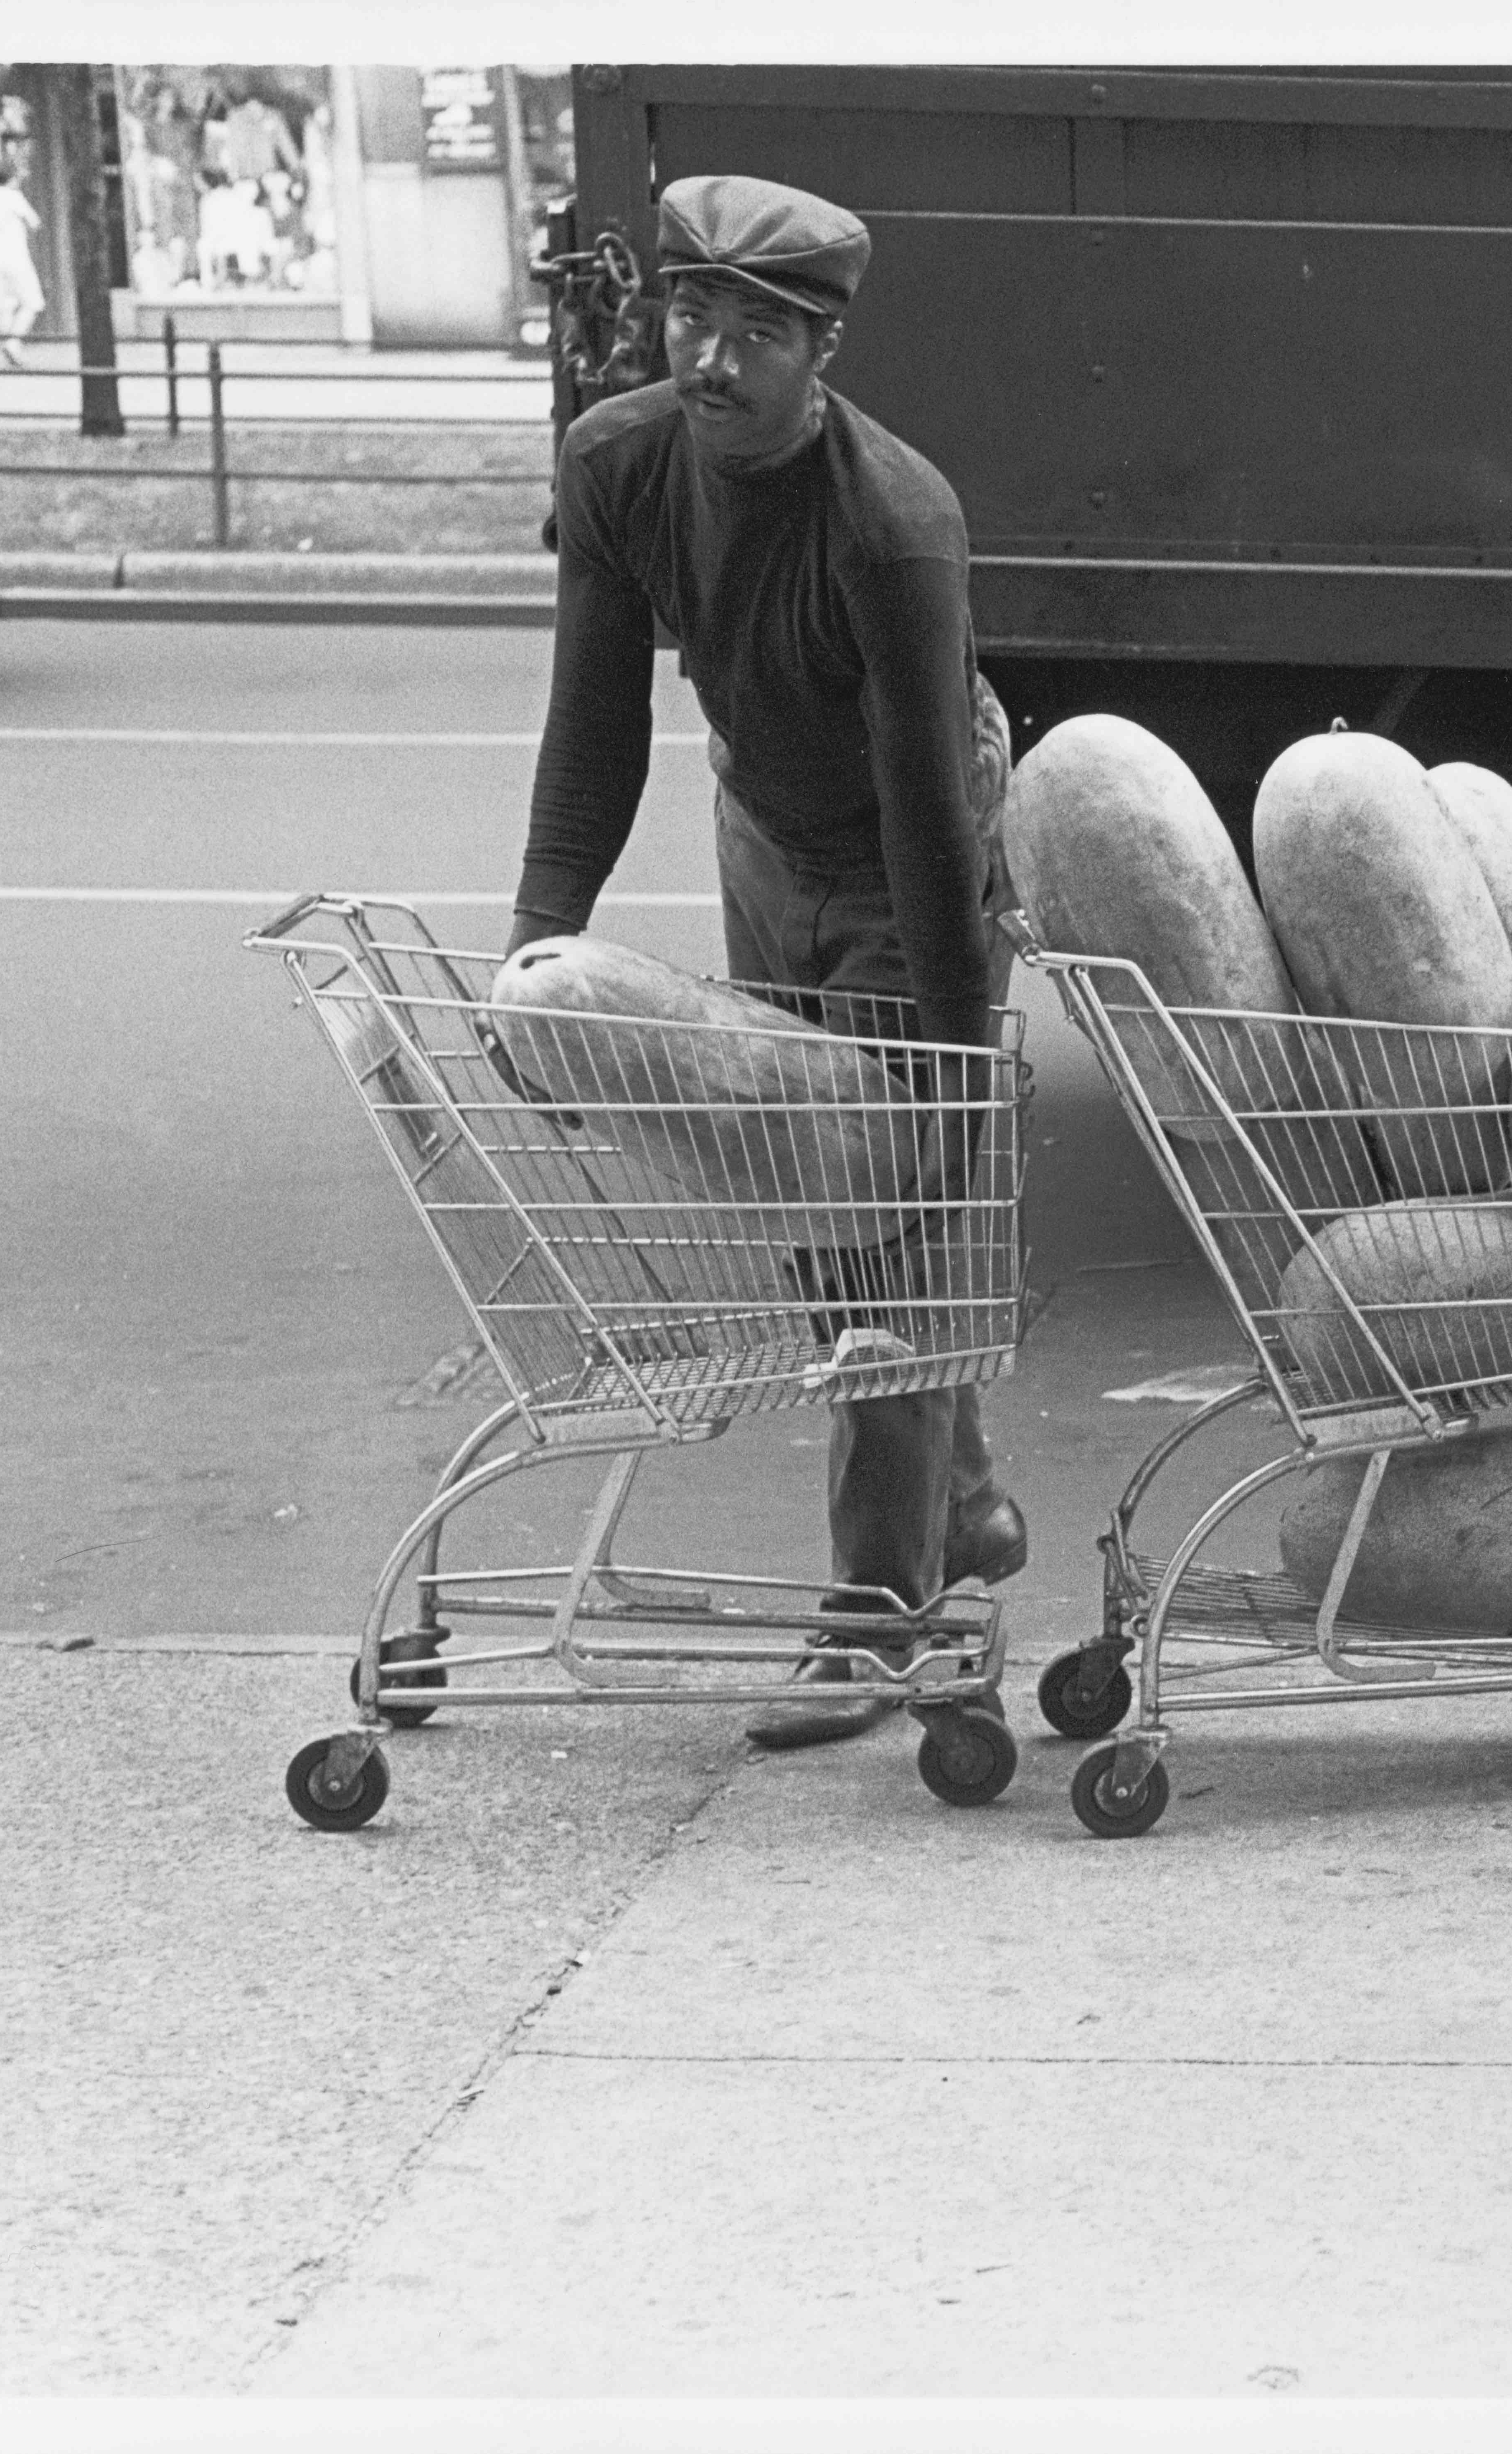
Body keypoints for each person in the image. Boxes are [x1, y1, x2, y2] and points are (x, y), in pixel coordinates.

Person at [509, 173, 1029, 1751]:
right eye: (690, 315)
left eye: (756, 333)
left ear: (825, 353)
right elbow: (596, 721)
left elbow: (929, 817)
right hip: (765, 816)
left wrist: (950, 1081)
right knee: (818, 1201)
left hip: (908, 837)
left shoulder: (893, 521)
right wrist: (541, 942)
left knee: (884, 1203)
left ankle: (879, 1615)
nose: (711, 359)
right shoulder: (619, 461)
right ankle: (967, 1493)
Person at [0, 160, 44, 363]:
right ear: (12, 178)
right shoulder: (14, 197)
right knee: (33, 302)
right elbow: (35, 222)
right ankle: (13, 345)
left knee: (3, 303)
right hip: (16, 255)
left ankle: (7, 345)